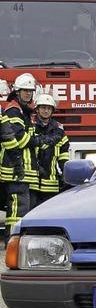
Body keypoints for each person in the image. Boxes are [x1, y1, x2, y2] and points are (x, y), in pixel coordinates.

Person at [0, 73, 39, 241]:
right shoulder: (15, 110)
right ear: (17, 91)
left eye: (30, 91)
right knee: (18, 207)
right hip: (14, 166)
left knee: (19, 206)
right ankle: (13, 240)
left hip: (20, 166)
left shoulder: (23, 110)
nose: (28, 94)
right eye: (25, 91)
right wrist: (38, 140)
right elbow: (19, 139)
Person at [32, 93, 68, 206]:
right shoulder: (30, 126)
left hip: (51, 183)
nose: (46, 111)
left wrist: (66, 174)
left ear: (52, 110)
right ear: (37, 109)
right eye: (43, 108)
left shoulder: (58, 130)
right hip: (32, 181)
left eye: (48, 108)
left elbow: (64, 155)